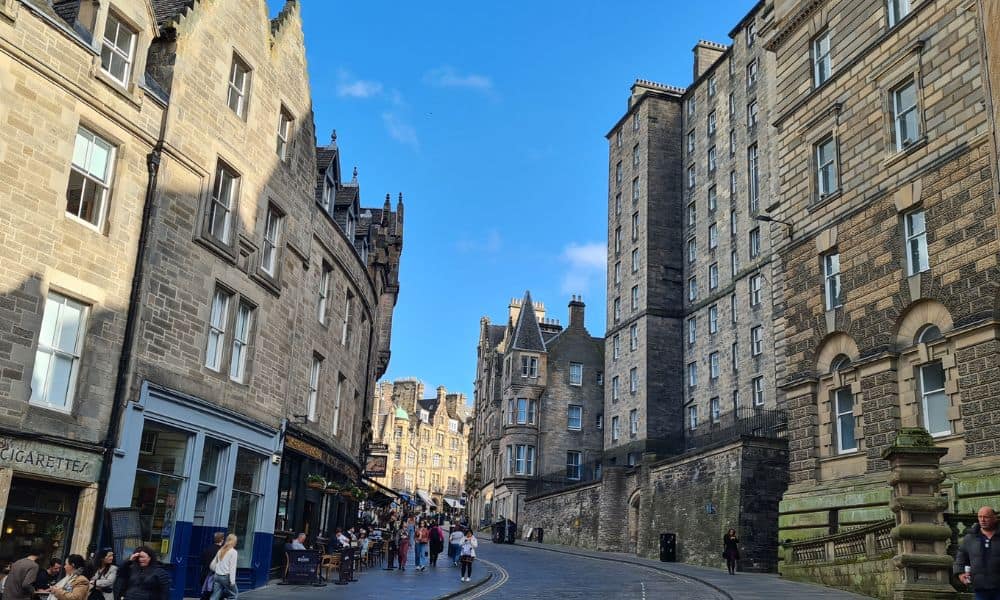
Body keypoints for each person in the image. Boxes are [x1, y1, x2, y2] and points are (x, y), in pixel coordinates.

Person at [955, 506, 1000, 599]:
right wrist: (960, 573)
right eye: (980, 517)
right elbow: (960, 558)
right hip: (980, 588)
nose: (982, 520)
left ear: (995, 518)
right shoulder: (970, 538)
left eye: (986, 517)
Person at [209, 534, 238, 600]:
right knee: (233, 595)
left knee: (215, 596)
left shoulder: (220, 550)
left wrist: (218, 570)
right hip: (226, 577)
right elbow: (232, 568)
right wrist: (232, 581)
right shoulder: (233, 552)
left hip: (217, 576)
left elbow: (212, 565)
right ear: (234, 541)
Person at [199, 533, 224, 600]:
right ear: (222, 540)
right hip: (216, 577)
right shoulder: (222, 551)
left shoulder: (207, 549)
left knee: (206, 595)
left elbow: (201, 562)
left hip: (205, 576)